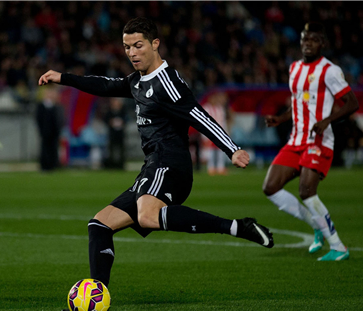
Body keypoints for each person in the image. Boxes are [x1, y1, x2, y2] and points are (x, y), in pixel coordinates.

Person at [39, 17, 274, 287]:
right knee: (99, 225)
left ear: (155, 44)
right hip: (152, 166)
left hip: (171, 165)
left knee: (147, 216)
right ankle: (98, 293)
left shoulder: (168, 82)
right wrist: (63, 78)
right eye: (127, 47)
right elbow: (105, 85)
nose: (132, 53)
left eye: (138, 45)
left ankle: (235, 226)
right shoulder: (137, 81)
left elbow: (198, 116)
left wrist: (232, 149)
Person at [262, 22, 359, 261]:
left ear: (322, 44)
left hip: (319, 140)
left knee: (306, 191)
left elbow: (352, 103)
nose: (308, 44)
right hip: (296, 139)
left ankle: (338, 246)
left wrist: (327, 121)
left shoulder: (330, 70)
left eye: (313, 40)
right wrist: (280, 118)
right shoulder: (294, 68)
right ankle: (317, 225)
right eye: (305, 39)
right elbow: (298, 103)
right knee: (270, 187)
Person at [202, 91, 233, 175]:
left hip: (219, 132)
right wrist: (204, 135)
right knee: (211, 151)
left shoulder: (220, 108)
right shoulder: (206, 108)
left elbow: (223, 122)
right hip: (210, 132)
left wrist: (225, 132)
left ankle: (220, 167)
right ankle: (211, 167)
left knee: (221, 150)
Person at [36, 87, 64, 171]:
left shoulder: (55, 106)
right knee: (45, 148)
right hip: (45, 131)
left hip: (54, 132)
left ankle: (53, 164)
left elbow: (58, 120)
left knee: (53, 148)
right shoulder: (41, 106)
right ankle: (45, 165)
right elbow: (39, 119)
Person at [104, 97, 127, 169]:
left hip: (120, 134)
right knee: (111, 149)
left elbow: (126, 120)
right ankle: (111, 164)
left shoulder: (123, 112)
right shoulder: (109, 112)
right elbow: (106, 120)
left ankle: (121, 164)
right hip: (112, 134)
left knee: (121, 150)